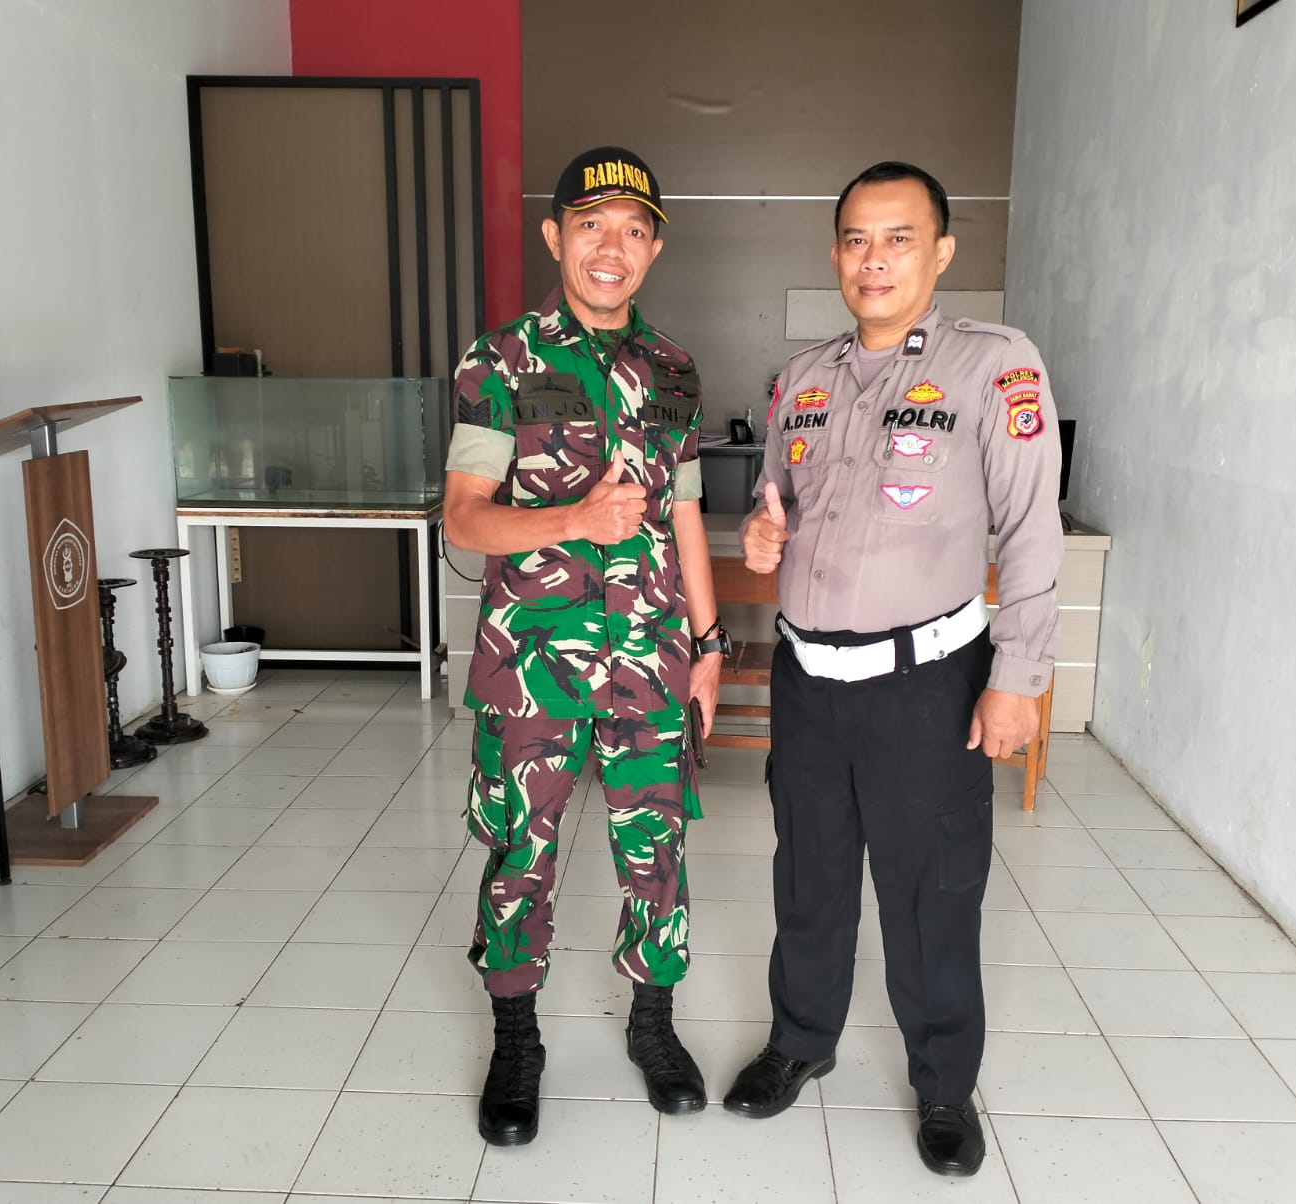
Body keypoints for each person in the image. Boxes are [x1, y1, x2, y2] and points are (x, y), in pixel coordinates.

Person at [721, 161, 1062, 1178]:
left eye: (899, 237)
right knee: (809, 875)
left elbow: (1031, 530)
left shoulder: (993, 366)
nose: (874, 260)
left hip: (927, 686)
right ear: (836, 254)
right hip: (807, 681)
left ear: (941, 251)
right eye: (857, 240)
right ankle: (800, 1040)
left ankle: (945, 1085)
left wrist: (1019, 677)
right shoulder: (800, 379)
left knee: (931, 892)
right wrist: (758, 537)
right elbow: (774, 512)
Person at [443, 146, 726, 1147]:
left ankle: (653, 1023)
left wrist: (709, 644)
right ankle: (515, 1040)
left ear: (654, 248)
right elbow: (463, 518)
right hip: (535, 665)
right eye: (592, 224)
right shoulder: (499, 362)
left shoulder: (675, 370)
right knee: (520, 851)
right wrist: (573, 520)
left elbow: (685, 516)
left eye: (634, 229)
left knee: (658, 849)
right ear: (555, 236)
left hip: (651, 658)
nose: (613, 246)